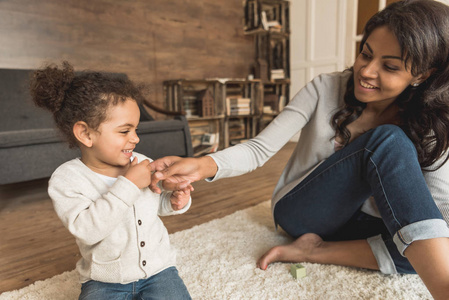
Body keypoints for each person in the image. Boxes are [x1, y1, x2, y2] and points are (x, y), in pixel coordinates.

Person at [149, 1, 449, 298]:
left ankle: (318, 251)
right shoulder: (325, 88)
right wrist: (202, 165)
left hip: (364, 226)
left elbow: (434, 210)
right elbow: (258, 149)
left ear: (422, 74)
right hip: (303, 212)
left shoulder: (431, 119)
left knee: (434, 243)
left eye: (390, 66)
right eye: (365, 54)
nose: (367, 71)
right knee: (388, 141)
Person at [30, 62, 193, 300]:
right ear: (86, 134)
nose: (135, 138)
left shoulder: (140, 162)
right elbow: (87, 230)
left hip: (159, 270)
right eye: (124, 131)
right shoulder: (67, 179)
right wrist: (128, 185)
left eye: (136, 129)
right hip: (105, 280)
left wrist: (175, 200)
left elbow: (153, 207)